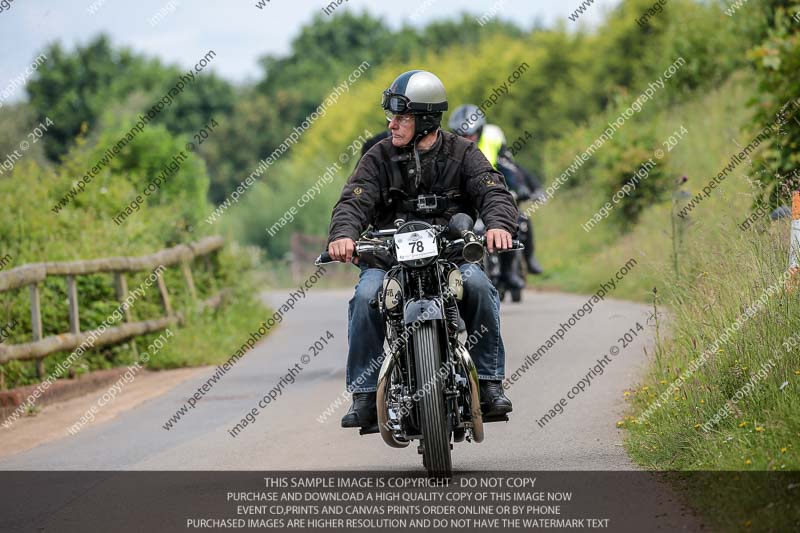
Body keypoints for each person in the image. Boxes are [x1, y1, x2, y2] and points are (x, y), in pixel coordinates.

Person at [326, 70, 517, 430]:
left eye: (402, 117)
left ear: (426, 120)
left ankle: (490, 384)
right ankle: (365, 394)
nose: (392, 124)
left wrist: (498, 226)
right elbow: (354, 199)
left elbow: (492, 190)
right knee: (367, 294)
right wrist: (343, 235)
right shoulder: (377, 156)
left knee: (478, 287)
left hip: (450, 254)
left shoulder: (463, 153)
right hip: (388, 258)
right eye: (391, 116)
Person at [448, 104, 543, 276]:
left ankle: (520, 266)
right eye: (463, 135)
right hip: (468, 200)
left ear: (481, 130)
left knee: (520, 221)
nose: (468, 138)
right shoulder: (450, 148)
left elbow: (510, 167)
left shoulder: (492, 139)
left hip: (494, 192)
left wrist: (520, 187)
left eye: (472, 134)